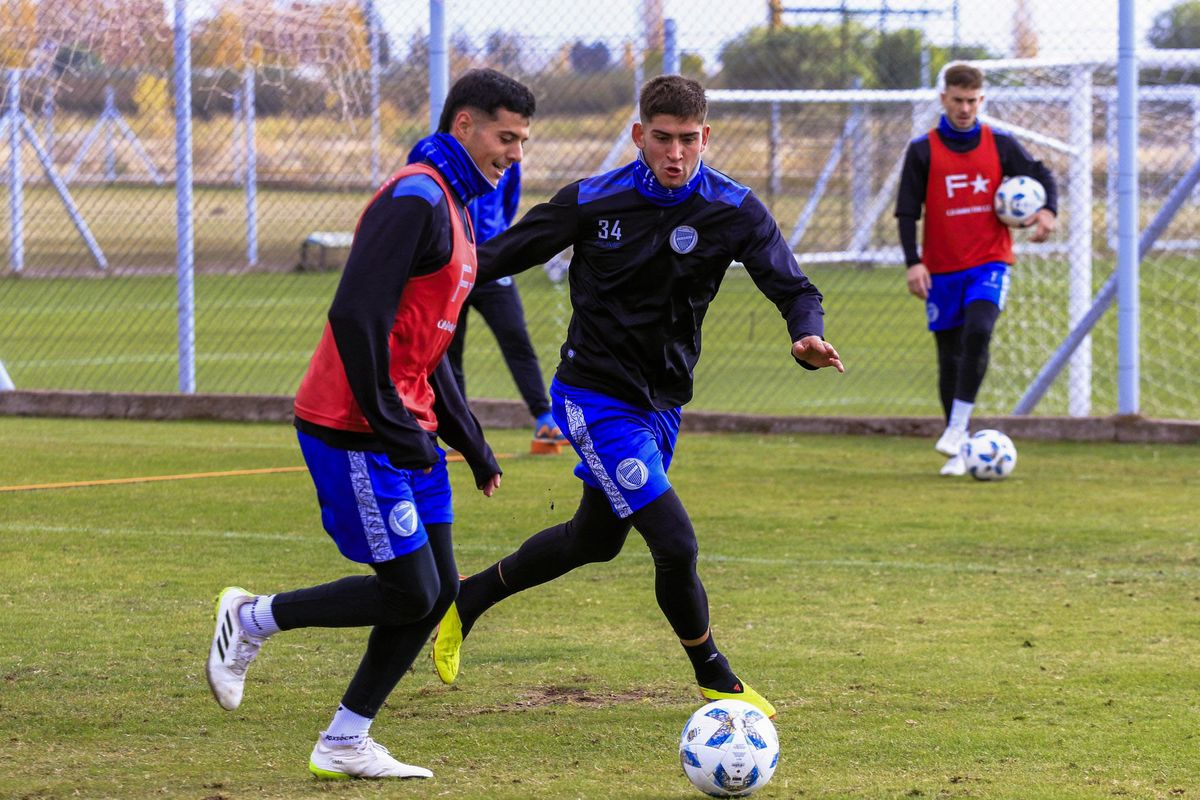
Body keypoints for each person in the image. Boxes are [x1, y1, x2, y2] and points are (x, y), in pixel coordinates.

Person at [430, 74, 844, 719]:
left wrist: (807, 335)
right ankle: (718, 679)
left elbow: (796, 288)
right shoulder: (595, 200)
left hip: (662, 405)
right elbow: (499, 254)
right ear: (638, 135)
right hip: (593, 396)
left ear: (705, 137)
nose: (675, 153)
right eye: (661, 139)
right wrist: (419, 273)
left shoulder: (733, 208)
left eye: (687, 140)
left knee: (593, 541)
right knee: (675, 543)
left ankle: (469, 598)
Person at [204, 68, 535, 780]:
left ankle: (346, 739)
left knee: (437, 589)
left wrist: (468, 439)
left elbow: (428, 340)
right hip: (354, 425)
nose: (514, 153)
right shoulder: (416, 197)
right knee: (409, 591)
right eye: (506, 137)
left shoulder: (458, 207)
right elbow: (355, 315)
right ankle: (253, 617)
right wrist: (391, 424)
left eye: (522, 140)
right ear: (465, 125)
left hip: (404, 429)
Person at [895, 62, 1057, 476]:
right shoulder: (923, 150)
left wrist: (1048, 212)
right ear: (944, 98)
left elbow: (1041, 175)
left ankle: (957, 429)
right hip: (941, 269)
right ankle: (959, 449)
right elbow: (907, 212)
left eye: (972, 101)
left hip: (990, 261)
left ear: (981, 100)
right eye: (958, 100)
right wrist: (914, 264)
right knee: (949, 357)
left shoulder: (1000, 144)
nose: (965, 108)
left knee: (980, 330)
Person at [403, 143, 566, 455]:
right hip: (448, 266)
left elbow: (509, 201)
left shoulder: (505, 148)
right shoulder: (427, 150)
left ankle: (544, 418)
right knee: (447, 352)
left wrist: (493, 241)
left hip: (491, 266)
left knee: (516, 339)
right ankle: (458, 433)